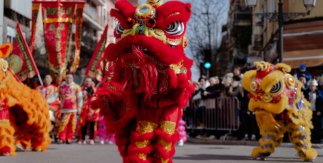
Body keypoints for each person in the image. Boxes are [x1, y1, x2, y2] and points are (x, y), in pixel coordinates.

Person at [58, 73, 83, 144]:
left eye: (70, 78)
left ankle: (69, 138)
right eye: (67, 78)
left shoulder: (76, 87)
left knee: (72, 124)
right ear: (65, 78)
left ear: (72, 79)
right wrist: (58, 102)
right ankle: (61, 138)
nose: (68, 79)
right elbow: (57, 96)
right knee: (63, 123)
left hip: (73, 108)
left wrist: (79, 108)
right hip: (63, 108)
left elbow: (80, 98)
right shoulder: (61, 86)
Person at [37, 74, 60, 142]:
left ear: (51, 80)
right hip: (41, 107)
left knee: (52, 119)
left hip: (51, 107)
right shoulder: (39, 88)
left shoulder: (55, 88)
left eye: (48, 78)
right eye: (46, 78)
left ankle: (55, 134)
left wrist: (48, 105)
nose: (47, 79)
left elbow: (55, 98)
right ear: (43, 80)